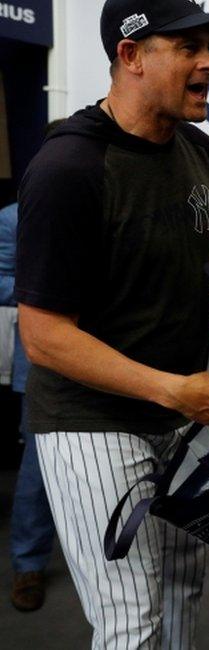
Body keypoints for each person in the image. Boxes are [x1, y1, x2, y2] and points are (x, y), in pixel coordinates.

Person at [15, 1, 209, 646]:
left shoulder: (200, 150)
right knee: (131, 620)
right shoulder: (67, 169)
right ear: (130, 56)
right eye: (187, 47)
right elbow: (43, 336)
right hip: (91, 422)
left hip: (179, 410)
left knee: (183, 586)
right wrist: (171, 389)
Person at [1, 121, 65, 613]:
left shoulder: (109, 206)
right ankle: (28, 564)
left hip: (116, 359)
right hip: (43, 361)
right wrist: (43, 289)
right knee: (37, 471)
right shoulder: (11, 218)